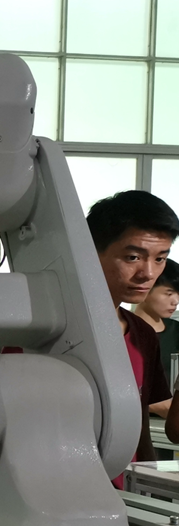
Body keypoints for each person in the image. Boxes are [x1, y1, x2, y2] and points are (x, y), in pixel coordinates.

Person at [86, 190, 179, 480]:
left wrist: (146, 484)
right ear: (90, 252)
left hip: (126, 491)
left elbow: (140, 428)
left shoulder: (143, 335)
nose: (148, 273)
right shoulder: (47, 330)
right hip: (62, 489)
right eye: (133, 257)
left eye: (160, 258)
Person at [134, 258, 179, 414]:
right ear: (144, 289)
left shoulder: (176, 331)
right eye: (169, 293)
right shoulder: (124, 333)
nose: (176, 301)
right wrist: (162, 406)